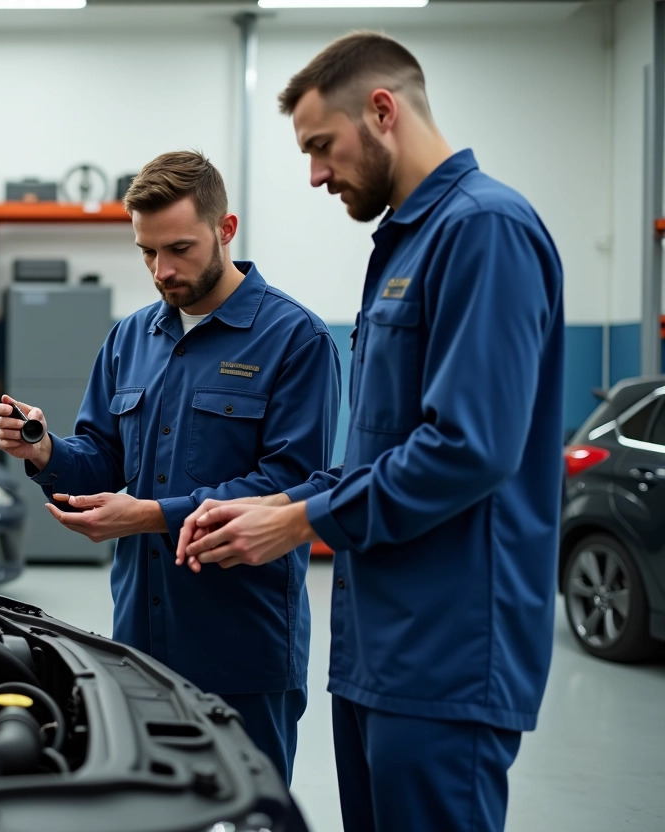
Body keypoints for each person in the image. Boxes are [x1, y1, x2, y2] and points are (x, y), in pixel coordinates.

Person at [176, 33, 564, 832]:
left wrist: (302, 520)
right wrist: (275, 509)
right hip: (377, 652)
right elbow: (377, 454)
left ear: (382, 111)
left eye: (322, 146)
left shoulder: (483, 229)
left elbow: (469, 446)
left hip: (447, 654)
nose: (315, 174)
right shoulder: (407, 242)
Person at [0, 150, 341, 786]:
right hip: (141, 642)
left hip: (243, 649)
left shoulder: (296, 340)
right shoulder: (130, 338)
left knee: (244, 811)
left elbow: (293, 486)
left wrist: (152, 516)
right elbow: (101, 458)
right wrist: (43, 450)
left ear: (226, 229)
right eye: (147, 252)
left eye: (178, 248)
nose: (162, 270)